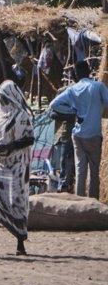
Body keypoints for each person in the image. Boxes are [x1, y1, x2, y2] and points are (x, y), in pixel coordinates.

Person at [0, 80, 35, 255]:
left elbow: (30, 139)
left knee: (17, 202)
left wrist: (11, 147)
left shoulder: (22, 116)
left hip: (17, 165)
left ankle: (20, 245)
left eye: (2, 96)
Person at [50, 60, 108, 199]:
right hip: (93, 134)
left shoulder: (72, 89)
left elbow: (54, 104)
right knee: (94, 172)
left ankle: (79, 201)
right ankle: (92, 204)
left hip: (77, 135)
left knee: (81, 170)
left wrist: (72, 111)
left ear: (76, 74)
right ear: (89, 71)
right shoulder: (98, 86)